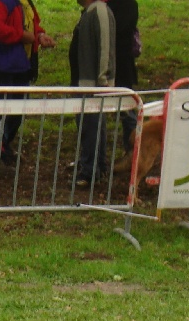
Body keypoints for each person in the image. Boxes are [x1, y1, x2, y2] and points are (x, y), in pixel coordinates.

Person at [0, 0, 55, 165]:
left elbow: (29, 24)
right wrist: (20, 36)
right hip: (1, 64)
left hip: (21, 64)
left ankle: (5, 144)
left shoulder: (25, 2)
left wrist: (39, 36)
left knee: (18, 107)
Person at [72, 0, 116, 187]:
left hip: (93, 85)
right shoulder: (89, 12)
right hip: (84, 83)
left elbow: (105, 48)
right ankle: (93, 165)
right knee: (89, 125)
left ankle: (91, 171)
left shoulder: (100, 11)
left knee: (92, 126)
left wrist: (103, 78)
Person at [106, 0, 139, 153]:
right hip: (109, 65)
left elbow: (118, 30)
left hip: (121, 65)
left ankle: (134, 151)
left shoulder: (127, 4)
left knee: (127, 111)